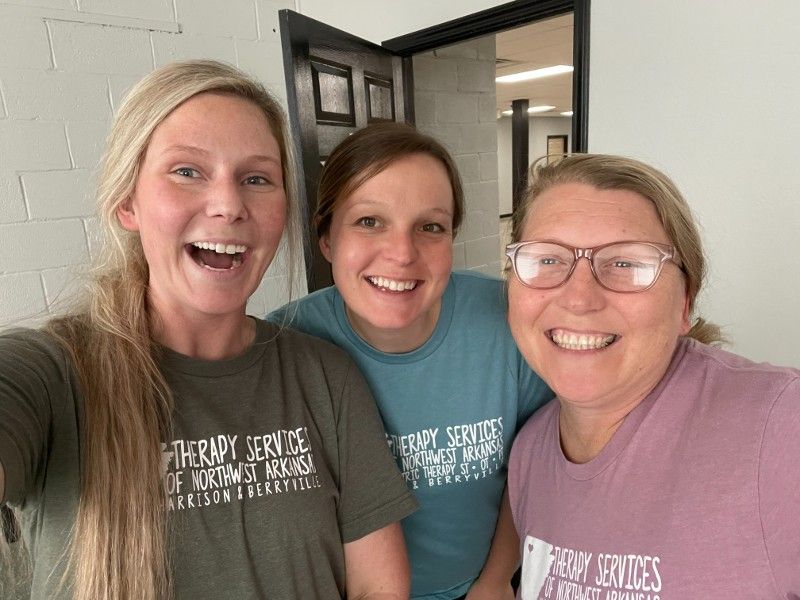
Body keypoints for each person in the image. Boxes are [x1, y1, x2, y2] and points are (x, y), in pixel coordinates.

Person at [0, 60, 418, 600]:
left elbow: (378, 586)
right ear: (128, 201)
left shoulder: (325, 375)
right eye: (187, 171)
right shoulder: (52, 376)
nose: (228, 205)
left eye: (256, 179)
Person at [269, 123, 552, 599]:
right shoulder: (287, 344)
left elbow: (535, 466)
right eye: (369, 221)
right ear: (326, 239)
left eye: (430, 227)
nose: (402, 253)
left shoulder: (505, 320)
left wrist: (495, 579)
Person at [504, 153, 800, 598]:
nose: (579, 298)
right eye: (546, 260)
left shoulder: (780, 428)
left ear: (685, 303)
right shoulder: (531, 453)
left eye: (626, 264)